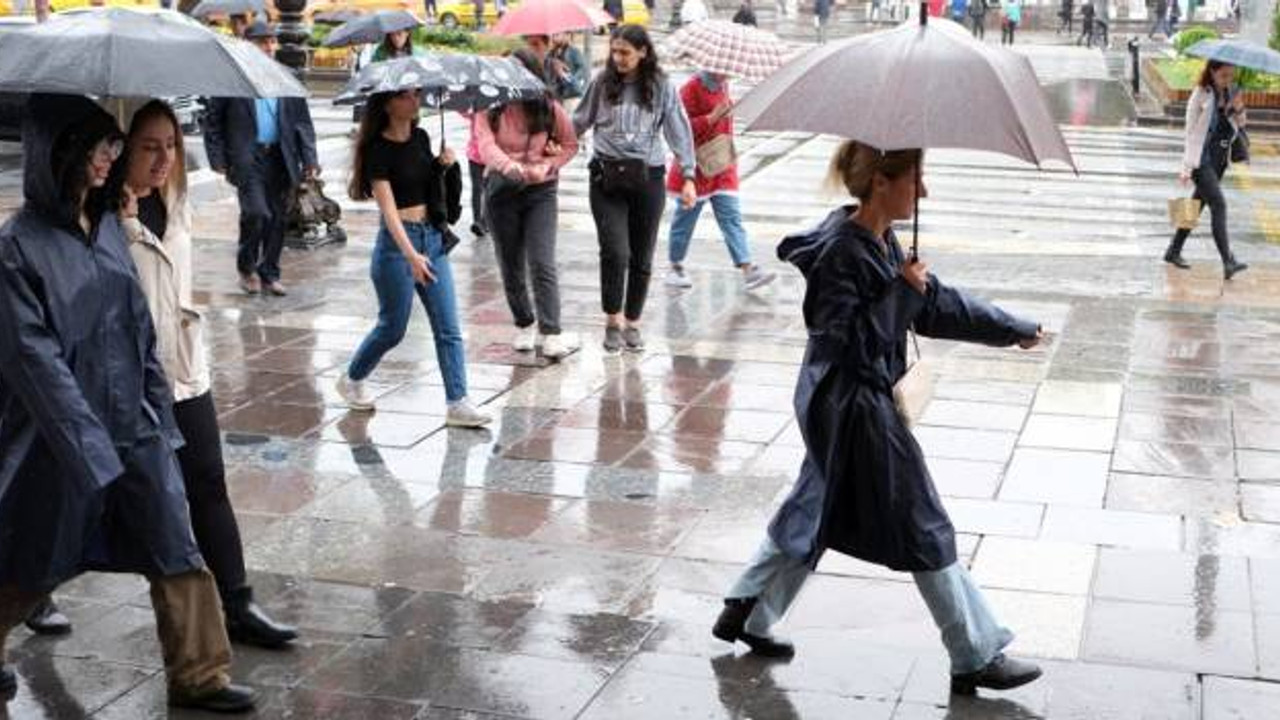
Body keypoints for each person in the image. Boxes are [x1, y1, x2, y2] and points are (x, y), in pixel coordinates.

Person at [712, 141, 1045, 695]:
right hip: (851, 404)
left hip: (847, 402)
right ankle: (975, 653)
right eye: (918, 178)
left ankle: (748, 610)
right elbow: (846, 343)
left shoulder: (882, 241)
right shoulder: (843, 252)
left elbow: (938, 305)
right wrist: (901, 293)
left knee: (817, 504)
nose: (925, 190)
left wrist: (1012, 328)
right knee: (924, 524)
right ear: (882, 182)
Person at [0, 93, 256, 714]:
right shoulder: (18, 247)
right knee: (33, 558)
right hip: (56, 442)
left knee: (175, 543)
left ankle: (201, 674)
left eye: (107, 148)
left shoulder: (109, 226)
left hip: (134, 425)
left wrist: (156, 415)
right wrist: (88, 447)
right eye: (93, 148)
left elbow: (139, 326)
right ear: (53, 156)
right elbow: (35, 363)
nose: (102, 160)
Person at [336, 89, 492, 427]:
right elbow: (389, 212)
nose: (416, 100)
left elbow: (429, 186)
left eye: (416, 94)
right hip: (397, 248)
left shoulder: (421, 137)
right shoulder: (377, 149)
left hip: (432, 240)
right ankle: (352, 378)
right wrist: (411, 256)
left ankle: (458, 402)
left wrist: (442, 165)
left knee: (448, 327)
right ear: (389, 104)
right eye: (407, 96)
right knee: (393, 328)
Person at [573, 25, 697, 354]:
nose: (619, 58)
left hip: (648, 178)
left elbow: (678, 129)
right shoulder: (602, 82)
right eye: (615, 51)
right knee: (615, 251)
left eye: (626, 52)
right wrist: (552, 143)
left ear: (643, 52)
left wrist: (688, 175)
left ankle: (633, 322)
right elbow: (579, 121)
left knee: (642, 256)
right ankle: (612, 320)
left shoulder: (660, 86)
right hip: (606, 179)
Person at [475, 49, 581, 360]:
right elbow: (485, 144)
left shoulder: (548, 107)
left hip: (541, 192)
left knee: (541, 261)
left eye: (519, 70)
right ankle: (524, 322)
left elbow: (571, 144)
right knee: (510, 263)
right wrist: (510, 168)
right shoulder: (491, 106)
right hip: (502, 191)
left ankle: (551, 331)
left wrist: (548, 167)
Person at [203, 21, 319, 297]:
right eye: (262, 41)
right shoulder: (231, 78)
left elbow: (302, 121)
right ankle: (246, 267)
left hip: (280, 156)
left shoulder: (286, 76)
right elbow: (213, 120)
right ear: (248, 43)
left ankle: (269, 273)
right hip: (247, 157)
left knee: (277, 218)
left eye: (271, 41)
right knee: (257, 212)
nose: (268, 47)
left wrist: (310, 158)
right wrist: (217, 157)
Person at [663, 71, 775, 293]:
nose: (729, 72)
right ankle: (675, 266)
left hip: (722, 164)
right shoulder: (690, 89)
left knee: (731, 217)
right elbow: (679, 129)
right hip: (696, 167)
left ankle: (748, 268)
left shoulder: (724, 85)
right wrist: (711, 118)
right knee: (685, 221)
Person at [1164, 60, 1249, 280]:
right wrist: (1186, 166)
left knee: (1195, 205)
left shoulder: (1230, 92)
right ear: (1212, 72)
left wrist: (1238, 108)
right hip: (1201, 162)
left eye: (1231, 76)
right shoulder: (1200, 94)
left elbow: (1241, 125)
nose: (1227, 80)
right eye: (1223, 75)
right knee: (1219, 204)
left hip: (1219, 161)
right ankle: (1228, 260)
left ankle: (1173, 251)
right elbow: (1190, 132)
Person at [549, 33, 589, 110]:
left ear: (568, 36)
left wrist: (569, 78)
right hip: (557, 95)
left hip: (571, 95)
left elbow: (582, 69)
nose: (554, 38)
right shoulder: (552, 53)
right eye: (553, 35)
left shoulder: (573, 51)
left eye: (557, 35)